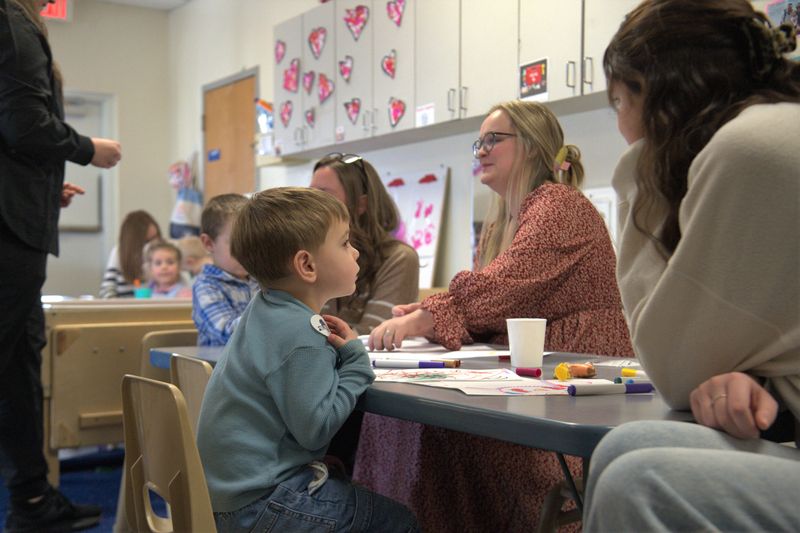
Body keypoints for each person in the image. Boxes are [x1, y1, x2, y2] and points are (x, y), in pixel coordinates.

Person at [356, 101, 633, 532]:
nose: (481, 150)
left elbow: (499, 289)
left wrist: (426, 317)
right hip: (542, 371)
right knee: (416, 423)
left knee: (441, 433)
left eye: (493, 140)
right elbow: (496, 297)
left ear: (532, 146)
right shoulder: (505, 217)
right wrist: (430, 311)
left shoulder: (559, 205)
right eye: (478, 142)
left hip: (581, 377)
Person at [579, 0, 800, 530]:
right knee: (625, 446)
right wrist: (747, 375)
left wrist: (641, 173)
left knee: (639, 485)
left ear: (657, 93)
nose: (621, 127)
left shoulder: (751, 148)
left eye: (618, 103)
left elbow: (674, 365)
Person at [195, 187, 419, 532]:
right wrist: (357, 366)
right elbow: (316, 431)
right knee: (399, 521)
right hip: (262, 504)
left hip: (230, 500)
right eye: (345, 243)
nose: (356, 252)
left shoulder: (265, 308)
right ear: (307, 265)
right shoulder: (301, 332)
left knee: (346, 483)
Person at [0, 0, 122, 530]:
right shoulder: (12, 20)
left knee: (18, 366)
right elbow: (25, 125)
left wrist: (48, 189)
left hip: (19, 219)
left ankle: (32, 499)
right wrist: (86, 148)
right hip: (10, 230)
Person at [310, 153, 419, 335]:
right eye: (310, 194)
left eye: (323, 196)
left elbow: (373, 336)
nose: (311, 205)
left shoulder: (399, 258)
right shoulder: (315, 253)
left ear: (361, 204)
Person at [192, 193, 258, 346]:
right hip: (221, 368)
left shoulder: (261, 280)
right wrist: (271, 317)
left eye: (254, 241)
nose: (248, 251)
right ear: (208, 243)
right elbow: (227, 334)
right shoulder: (206, 286)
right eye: (238, 243)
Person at [99, 210, 161, 298]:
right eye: (146, 241)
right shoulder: (119, 252)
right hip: (123, 308)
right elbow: (107, 289)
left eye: (156, 238)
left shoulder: (162, 253)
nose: (151, 245)